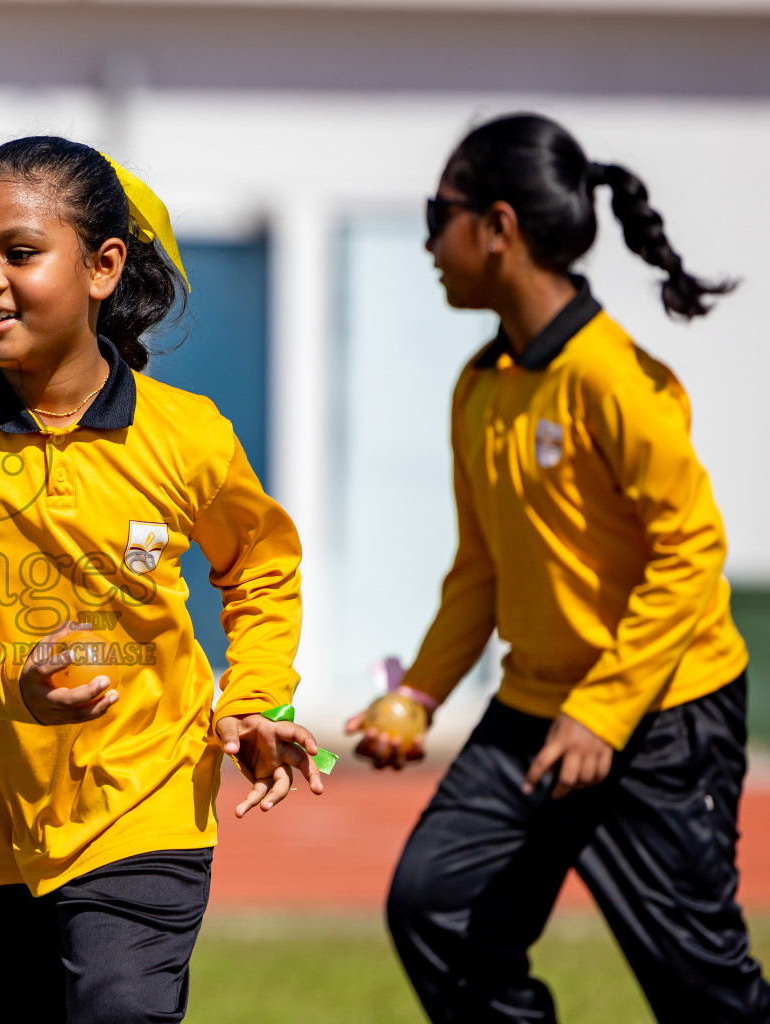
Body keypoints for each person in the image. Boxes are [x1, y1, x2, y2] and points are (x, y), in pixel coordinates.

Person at [0, 136, 326, 1024]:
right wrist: (3, 684)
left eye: (18, 253)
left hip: (147, 802)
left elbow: (262, 565)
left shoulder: (188, 436)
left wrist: (257, 700)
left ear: (103, 267)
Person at [347, 112, 770, 1022]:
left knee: (707, 997)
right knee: (436, 906)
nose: (428, 239)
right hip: (537, 711)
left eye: (439, 213)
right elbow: (480, 571)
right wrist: (416, 696)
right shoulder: (481, 384)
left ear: (497, 228)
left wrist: (605, 713)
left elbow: (692, 551)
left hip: (662, 716)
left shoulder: (615, 379)